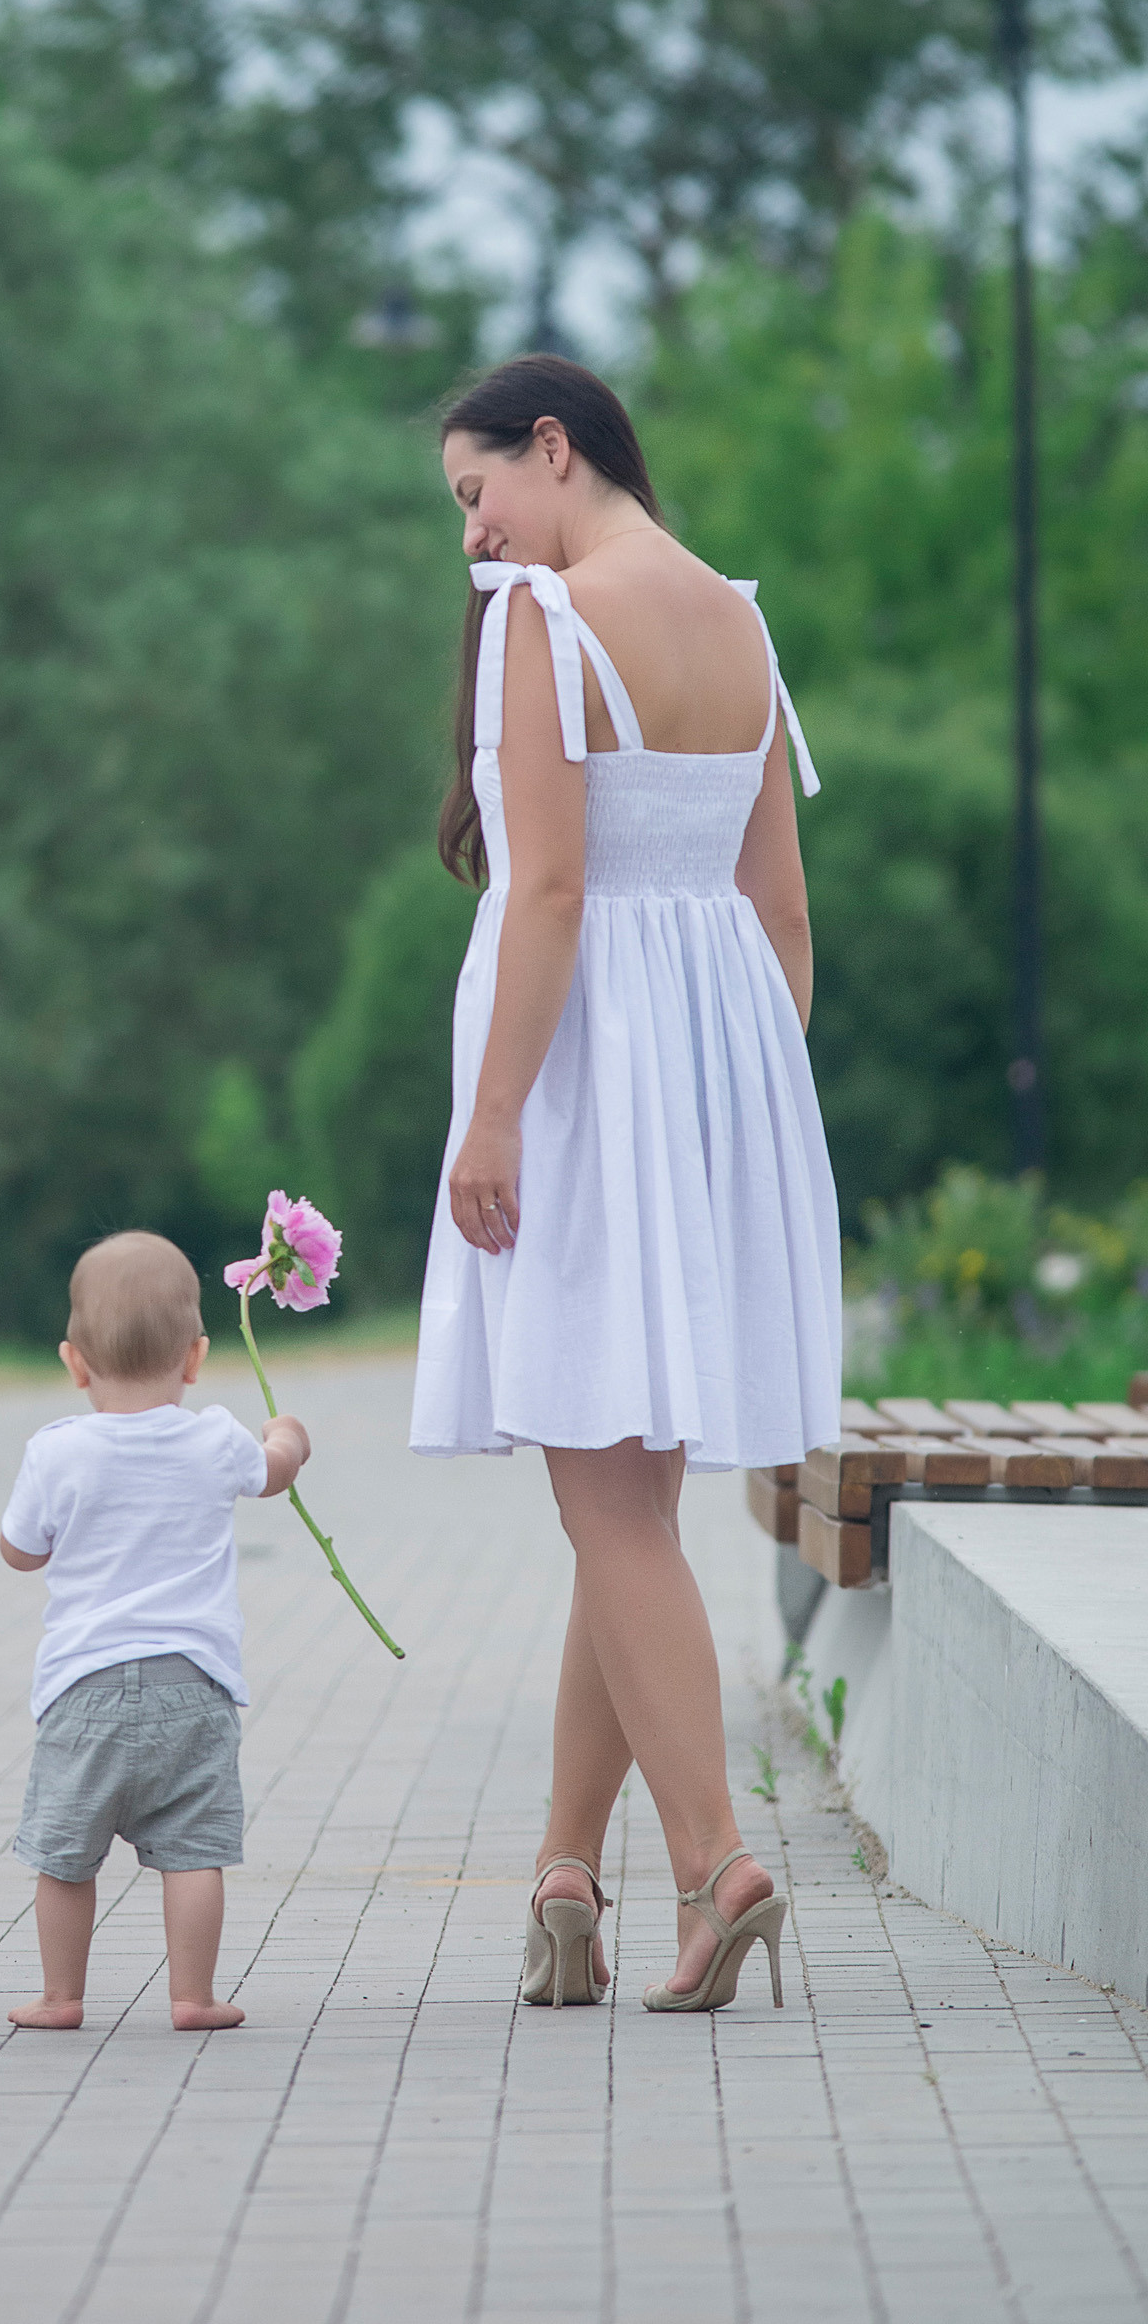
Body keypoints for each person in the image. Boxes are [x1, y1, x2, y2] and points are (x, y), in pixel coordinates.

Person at [411, 357, 840, 2014]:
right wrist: (746, 1107)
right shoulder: (739, 622)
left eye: (476, 493)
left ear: (552, 445)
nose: (478, 533)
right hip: (719, 1071)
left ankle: (717, 1860)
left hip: (587, 1075)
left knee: (604, 1506)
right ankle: (566, 1880)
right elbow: (782, 911)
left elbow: (552, 891)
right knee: (632, 1509)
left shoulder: (546, 619)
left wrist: (498, 1117)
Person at [0, 1232, 310, 2033]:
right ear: (196, 1356)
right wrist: (290, 1440)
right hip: (194, 1685)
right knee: (193, 1851)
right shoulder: (214, 1437)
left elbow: (20, 1551)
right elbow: (269, 1475)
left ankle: (62, 1996)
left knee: (64, 1857)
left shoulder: (57, 1451)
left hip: (83, 1692)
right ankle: (194, 1996)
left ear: (75, 1363)